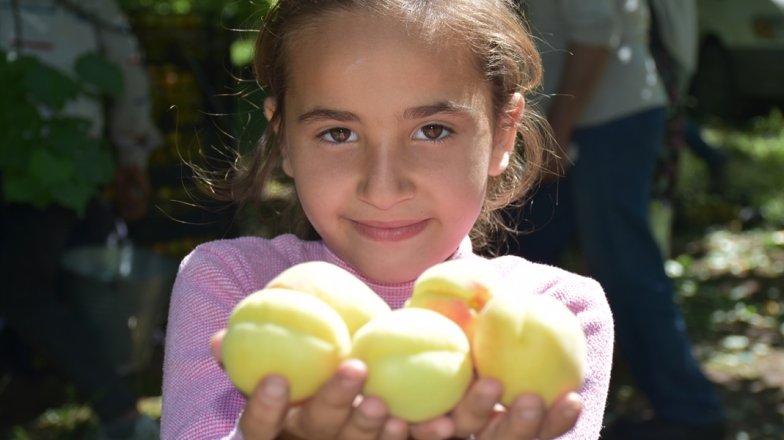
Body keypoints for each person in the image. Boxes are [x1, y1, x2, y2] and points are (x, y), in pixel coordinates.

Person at [160, 1, 614, 439]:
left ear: (502, 133)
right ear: (283, 141)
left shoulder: (560, 312)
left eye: (432, 130)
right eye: (338, 134)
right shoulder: (233, 288)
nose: (382, 189)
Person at [515, 0, 727, 439]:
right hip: (584, 120)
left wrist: (559, 130)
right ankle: (546, 399)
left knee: (625, 265)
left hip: (608, 121)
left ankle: (691, 412)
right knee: (531, 255)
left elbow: (596, 31)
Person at [0, 0, 161, 439]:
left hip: (53, 171)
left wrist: (133, 153)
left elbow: (124, 71)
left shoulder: (88, 11)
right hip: (58, 168)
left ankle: (124, 416)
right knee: (53, 293)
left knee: (25, 292)